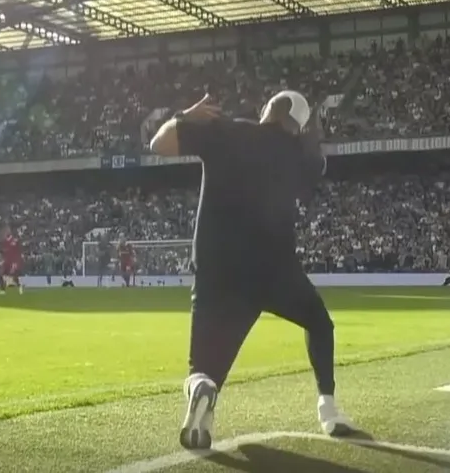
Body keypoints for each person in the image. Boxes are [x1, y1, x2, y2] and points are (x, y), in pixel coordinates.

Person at [149, 91, 354, 450]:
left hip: (217, 268)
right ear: (297, 126)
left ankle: (202, 390)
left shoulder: (226, 130)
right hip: (274, 270)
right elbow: (317, 166)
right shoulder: (298, 154)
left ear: (268, 109)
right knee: (320, 324)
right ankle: (329, 409)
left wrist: (185, 115)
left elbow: (159, 143)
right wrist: (308, 134)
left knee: (204, 367)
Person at [0, 225, 23, 295]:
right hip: (7, 261)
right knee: (0, 274)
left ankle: (19, 286)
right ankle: (3, 290)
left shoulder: (14, 240)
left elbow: (16, 249)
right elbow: (3, 251)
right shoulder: (5, 241)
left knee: (13, 276)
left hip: (13, 262)